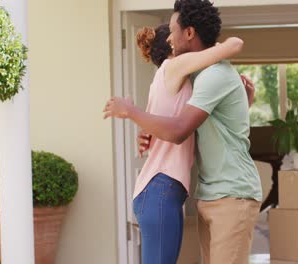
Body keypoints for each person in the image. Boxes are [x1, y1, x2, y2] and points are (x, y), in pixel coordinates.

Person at [104, 1, 262, 263]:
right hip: (211, 193)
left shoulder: (214, 74)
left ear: (189, 33)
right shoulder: (196, 76)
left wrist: (132, 113)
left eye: (174, 30)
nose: (170, 38)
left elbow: (179, 130)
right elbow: (216, 123)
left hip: (232, 194)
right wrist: (149, 131)